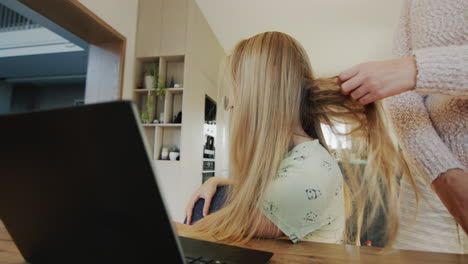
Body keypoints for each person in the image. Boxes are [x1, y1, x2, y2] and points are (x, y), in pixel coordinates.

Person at [184, 31, 417, 247]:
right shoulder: (298, 160)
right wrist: (220, 181)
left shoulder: (310, 171)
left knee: (205, 209)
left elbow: (193, 235)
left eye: (238, 90)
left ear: (270, 82)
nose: (233, 105)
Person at [338, 0, 467, 254]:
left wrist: (416, 69)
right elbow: (401, 95)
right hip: (429, 184)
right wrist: (442, 174)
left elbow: (403, 74)